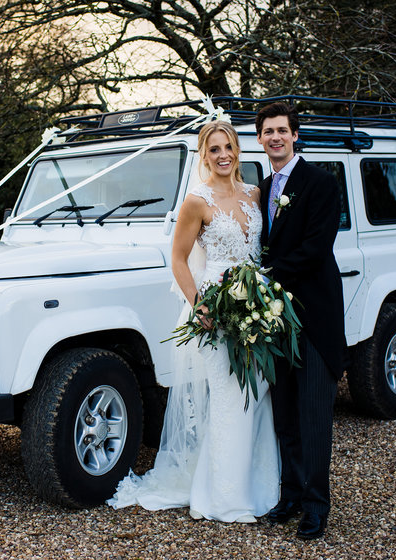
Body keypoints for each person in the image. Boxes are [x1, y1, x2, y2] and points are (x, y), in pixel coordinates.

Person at [107, 120, 280, 523]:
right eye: (214, 149)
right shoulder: (196, 201)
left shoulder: (256, 194)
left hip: (255, 308)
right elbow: (179, 260)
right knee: (227, 396)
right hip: (216, 312)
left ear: (238, 149)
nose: (223, 156)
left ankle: (258, 488)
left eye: (228, 147)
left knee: (256, 397)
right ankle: (222, 496)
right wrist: (199, 303)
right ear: (204, 155)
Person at [256, 102, 347, 540]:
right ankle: (290, 495)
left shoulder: (322, 182)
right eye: (268, 131)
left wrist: (262, 278)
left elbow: (315, 248)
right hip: (273, 321)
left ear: (295, 135)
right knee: (285, 416)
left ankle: (316, 506)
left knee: (313, 418)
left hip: (313, 317)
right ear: (260, 139)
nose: (275, 137)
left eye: (282, 131)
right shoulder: (263, 185)